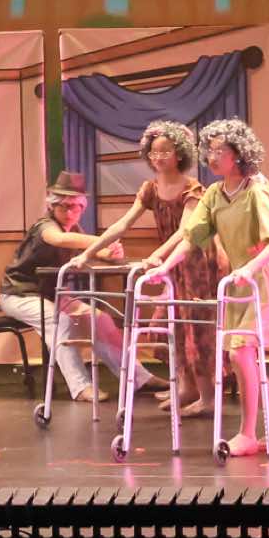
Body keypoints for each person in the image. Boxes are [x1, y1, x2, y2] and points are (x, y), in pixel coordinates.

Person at [150, 119, 269, 457]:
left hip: (263, 281)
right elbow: (191, 237)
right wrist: (165, 267)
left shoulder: (256, 189)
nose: (212, 157)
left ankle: (247, 434)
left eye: (219, 151)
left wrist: (250, 267)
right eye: (209, 150)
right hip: (237, 285)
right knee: (246, 360)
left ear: (238, 154)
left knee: (239, 353)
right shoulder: (214, 194)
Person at [78, 120, 222, 416]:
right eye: (154, 152)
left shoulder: (193, 189)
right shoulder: (150, 189)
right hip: (173, 264)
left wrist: (156, 256)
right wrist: (88, 252)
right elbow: (123, 224)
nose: (158, 158)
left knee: (196, 327)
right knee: (174, 324)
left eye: (165, 152)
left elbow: (185, 231)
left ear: (179, 153)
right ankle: (186, 387)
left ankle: (207, 397)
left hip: (197, 264)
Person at [0, 172, 158, 404]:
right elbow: (60, 240)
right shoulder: (45, 226)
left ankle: (139, 379)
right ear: (52, 206)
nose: (70, 212)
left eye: (76, 206)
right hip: (19, 294)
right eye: (64, 206)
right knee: (59, 321)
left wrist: (110, 252)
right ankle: (80, 387)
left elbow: (95, 252)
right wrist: (102, 241)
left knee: (99, 319)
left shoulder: (74, 229)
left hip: (52, 295)